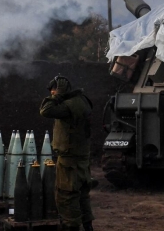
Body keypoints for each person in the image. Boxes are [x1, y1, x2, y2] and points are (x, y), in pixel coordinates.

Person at [39, 76, 95, 231]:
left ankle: (72, 227)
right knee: (82, 195)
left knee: (66, 196)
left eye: (53, 90)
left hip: (70, 160)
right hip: (81, 157)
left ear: (62, 89)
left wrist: (58, 96)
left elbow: (45, 110)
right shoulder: (82, 100)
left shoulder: (69, 105)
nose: (52, 94)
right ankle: (88, 225)